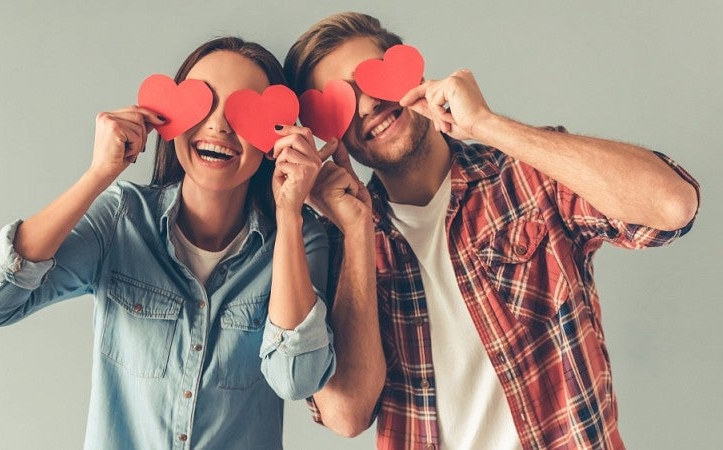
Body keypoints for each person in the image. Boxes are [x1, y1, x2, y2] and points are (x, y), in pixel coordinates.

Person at [284, 12, 700, 450]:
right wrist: (357, 233)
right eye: (341, 103)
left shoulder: (527, 175)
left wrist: (488, 125)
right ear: (328, 134)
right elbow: (347, 416)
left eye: (373, 78)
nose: (367, 105)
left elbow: (673, 205)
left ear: (413, 71)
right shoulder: (339, 244)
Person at [0, 36, 337, 450]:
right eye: (204, 104)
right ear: (171, 117)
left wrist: (288, 211)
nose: (220, 125)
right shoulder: (121, 220)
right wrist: (98, 174)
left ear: (275, 136)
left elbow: (296, 379)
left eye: (246, 111)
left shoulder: (301, 237)